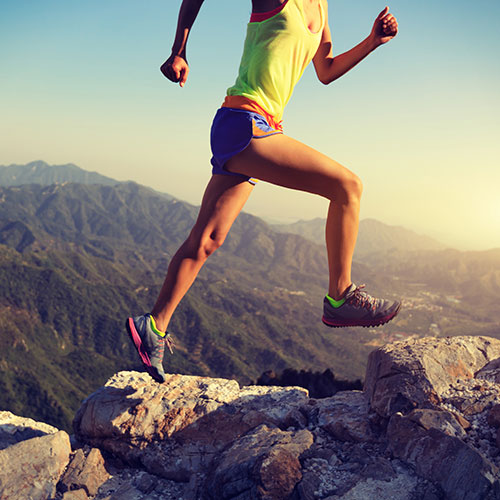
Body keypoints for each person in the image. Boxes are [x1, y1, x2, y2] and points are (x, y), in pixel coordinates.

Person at [126, 0, 401, 383]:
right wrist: (179, 50)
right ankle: (340, 297)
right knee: (347, 186)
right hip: (245, 122)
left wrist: (372, 41)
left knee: (207, 240)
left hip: (253, 128)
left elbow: (326, 70)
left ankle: (152, 326)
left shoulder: (321, 10)